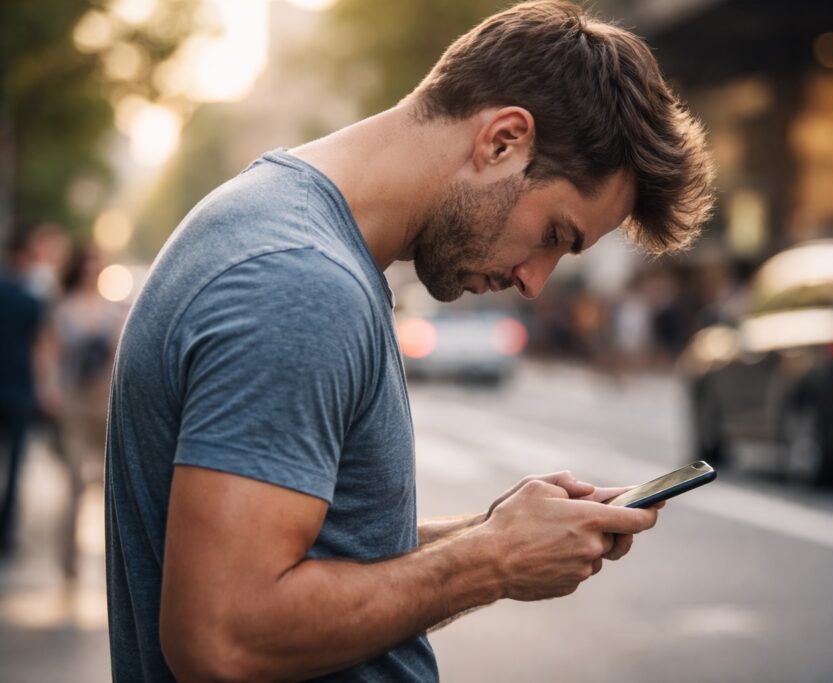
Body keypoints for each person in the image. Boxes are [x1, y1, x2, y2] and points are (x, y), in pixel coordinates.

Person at [105, 1, 716, 681]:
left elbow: (317, 556)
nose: (534, 282)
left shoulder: (277, 226)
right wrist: (491, 561)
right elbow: (224, 635)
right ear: (503, 141)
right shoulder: (299, 282)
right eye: (554, 235)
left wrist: (490, 531)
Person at [53, 245, 126, 579]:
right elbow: (49, 350)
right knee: (74, 481)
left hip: (103, 402)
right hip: (73, 401)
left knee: (110, 480)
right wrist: (49, 388)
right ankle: (68, 557)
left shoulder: (112, 310)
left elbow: (118, 355)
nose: (91, 271)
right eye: (87, 264)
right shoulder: (63, 307)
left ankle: (113, 559)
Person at [0, 225, 47, 556]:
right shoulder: (32, 300)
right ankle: (5, 532)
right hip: (19, 389)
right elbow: (40, 350)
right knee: (15, 466)